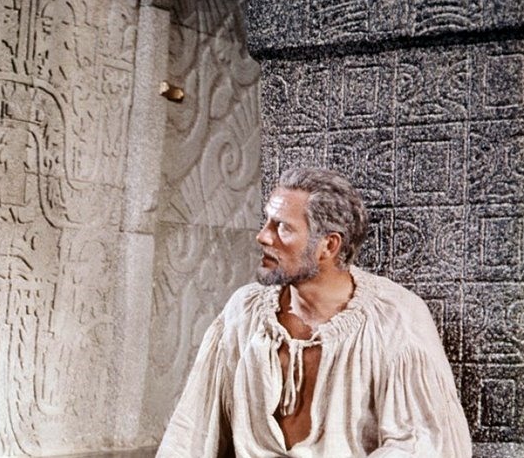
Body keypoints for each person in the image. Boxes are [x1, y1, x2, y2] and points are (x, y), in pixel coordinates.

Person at [158, 168, 472, 457]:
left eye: (282, 227)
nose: (263, 236)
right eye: (267, 221)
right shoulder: (244, 311)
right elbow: (191, 432)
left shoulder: (395, 317)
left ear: (329, 246)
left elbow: (426, 443)